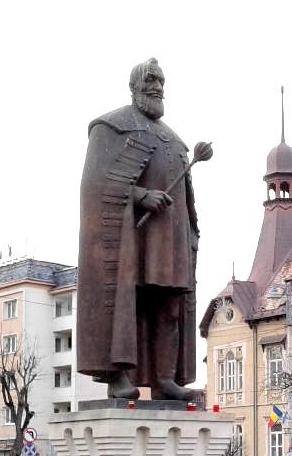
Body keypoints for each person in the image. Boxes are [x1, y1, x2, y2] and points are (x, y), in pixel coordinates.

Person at [77, 57, 204, 401]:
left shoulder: (174, 139)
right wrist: (139, 195)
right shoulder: (111, 126)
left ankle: (165, 378)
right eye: (150, 80)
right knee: (126, 303)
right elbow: (94, 186)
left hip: (169, 238)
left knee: (169, 307)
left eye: (161, 81)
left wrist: (190, 236)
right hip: (130, 237)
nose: (157, 86)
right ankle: (118, 374)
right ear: (133, 86)